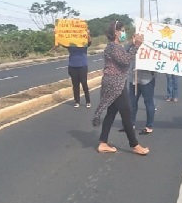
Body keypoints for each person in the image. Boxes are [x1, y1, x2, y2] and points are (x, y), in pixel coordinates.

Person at [92, 21, 149, 155]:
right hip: (115, 84)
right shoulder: (113, 47)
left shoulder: (115, 46)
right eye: (122, 30)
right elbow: (125, 60)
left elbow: (123, 55)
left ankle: (103, 143)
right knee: (127, 113)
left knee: (112, 112)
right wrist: (136, 45)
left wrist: (131, 44)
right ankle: (134, 145)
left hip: (116, 82)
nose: (124, 33)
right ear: (116, 32)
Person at [128, 42, 156, 134]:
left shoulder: (152, 46)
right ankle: (131, 124)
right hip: (134, 78)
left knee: (148, 102)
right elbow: (126, 55)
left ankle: (149, 126)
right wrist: (132, 44)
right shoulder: (132, 46)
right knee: (132, 102)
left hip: (147, 79)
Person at [63, 29, 92, 108]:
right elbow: (61, 41)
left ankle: (88, 101)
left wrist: (88, 34)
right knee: (75, 85)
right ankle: (77, 101)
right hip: (72, 66)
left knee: (84, 84)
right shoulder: (70, 44)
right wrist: (55, 34)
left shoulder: (84, 44)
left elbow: (89, 42)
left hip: (82, 66)